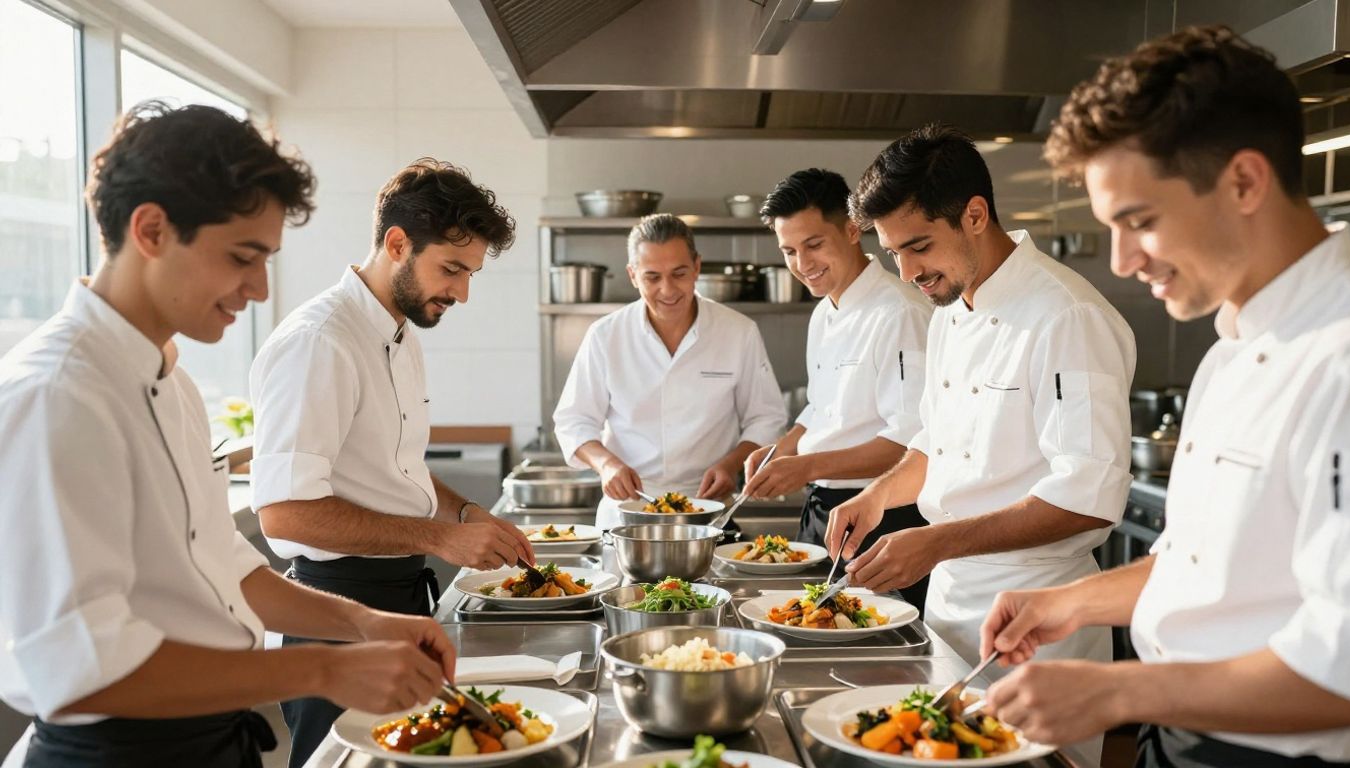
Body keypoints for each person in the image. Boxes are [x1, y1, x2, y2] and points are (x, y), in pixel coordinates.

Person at [0, 103, 455, 768]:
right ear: (152, 230)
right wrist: (323, 673)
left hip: (210, 742)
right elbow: (82, 670)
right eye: (243, 257)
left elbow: (226, 568)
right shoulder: (58, 395)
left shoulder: (170, 380)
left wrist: (365, 624)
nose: (259, 287)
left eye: (266, 258)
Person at [979, 26, 1350, 766]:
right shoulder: (1229, 351)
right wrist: (1064, 603)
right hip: (1180, 738)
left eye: (1140, 223)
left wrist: (1119, 693)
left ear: (1245, 182)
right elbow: (1204, 565)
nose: (1124, 263)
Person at [827, 126, 1136, 755]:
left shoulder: (1066, 316)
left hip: (1038, 619)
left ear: (974, 214)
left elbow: (1087, 497)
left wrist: (936, 539)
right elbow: (934, 443)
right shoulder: (950, 310)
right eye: (893, 254)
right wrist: (879, 497)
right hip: (950, 607)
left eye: (918, 247)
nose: (908, 272)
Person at [250, 158, 532, 766]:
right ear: (397, 244)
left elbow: (393, 466)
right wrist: (440, 537)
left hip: (400, 599)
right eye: (452, 269)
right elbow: (285, 514)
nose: (461, 291)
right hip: (339, 611)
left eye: (470, 272)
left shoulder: (398, 333)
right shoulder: (320, 340)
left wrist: (466, 514)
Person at [742, 168, 933, 610]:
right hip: (822, 512)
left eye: (813, 245)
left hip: (883, 514)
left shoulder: (900, 312)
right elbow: (820, 408)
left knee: (874, 646)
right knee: (809, 627)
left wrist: (805, 467)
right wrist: (784, 449)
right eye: (789, 251)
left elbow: (910, 440)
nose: (802, 265)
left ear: (852, 229)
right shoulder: (824, 312)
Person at [554, 213, 788, 529]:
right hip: (629, 510)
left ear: (697, 267)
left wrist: (731, 465)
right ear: (633, 275)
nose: (668, 290)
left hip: (708, 510)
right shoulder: (605, 335)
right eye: (652, 277)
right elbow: (573, 420)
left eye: (679, 273)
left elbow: (766, 417)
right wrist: (607, 465)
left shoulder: (738, 332)